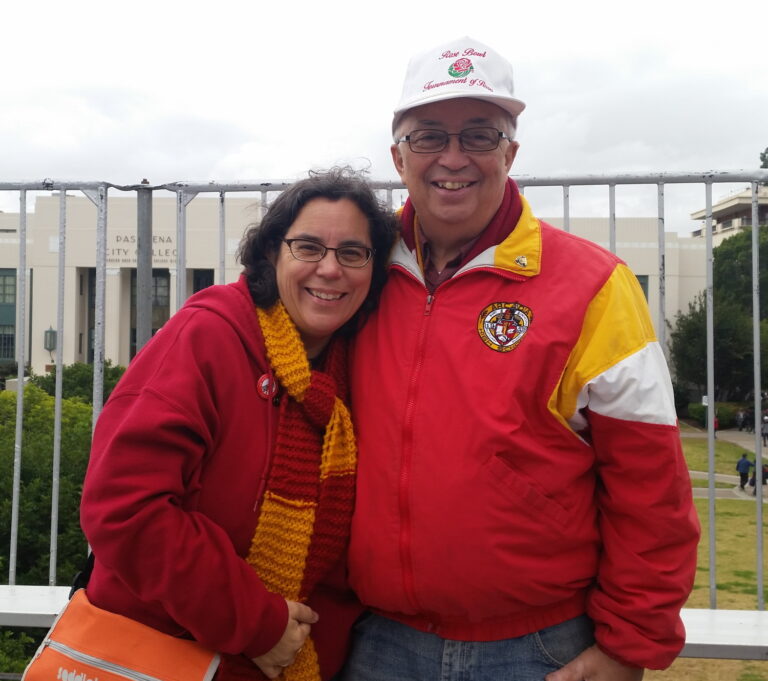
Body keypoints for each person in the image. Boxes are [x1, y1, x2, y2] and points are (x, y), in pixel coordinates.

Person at [342, 37, 700, 681]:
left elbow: (650, 486)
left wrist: (628, 646)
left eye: (479, 135)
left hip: (539, 648)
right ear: (398, 156)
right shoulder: (354, 273)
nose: (453, 158)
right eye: (429, 136)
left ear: (512, 152)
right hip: (377, 642)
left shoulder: (595, 285)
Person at [80, 168, 397, 681]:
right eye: (309, 247)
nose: (330, 269)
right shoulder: (208, 336)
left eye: (353, 253)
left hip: (306, 662)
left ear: (373, 270)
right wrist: (258, 624)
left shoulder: (360, 371)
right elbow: (124, 507)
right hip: (169, 655)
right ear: (273, 254)